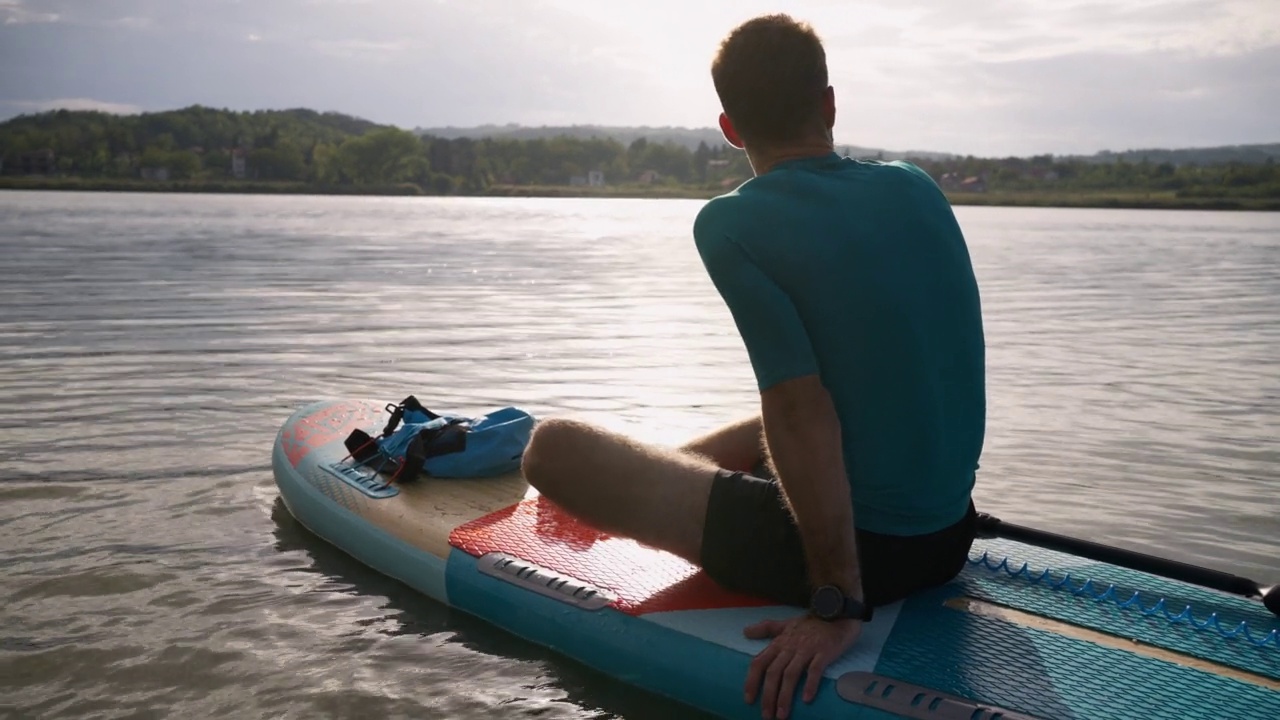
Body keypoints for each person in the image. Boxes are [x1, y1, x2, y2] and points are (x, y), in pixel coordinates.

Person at [519, 13, 986, 720]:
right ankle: (659, 476)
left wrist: (835, 602)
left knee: (550, 449)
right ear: (829, 104)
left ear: (731, 128)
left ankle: (628, 492)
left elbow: (801, 412)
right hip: (948, 535)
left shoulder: (732, 222)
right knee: (774, 418)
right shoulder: (916, 185)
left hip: (868, 560)